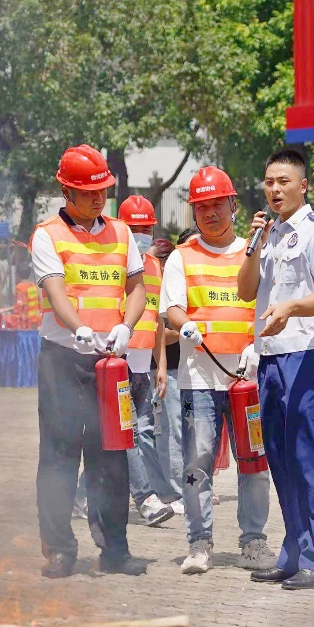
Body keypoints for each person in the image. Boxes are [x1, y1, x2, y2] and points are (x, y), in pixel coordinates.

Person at [31, 144, 147, 578]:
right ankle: (59, 549)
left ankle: (114, 549)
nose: (99, 198)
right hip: (64, 359)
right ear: (66, 191)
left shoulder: (121, 232)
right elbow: (56, 291)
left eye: (103, 190)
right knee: (60, 456)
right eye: (89, 191)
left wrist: (127, 326)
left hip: (109, 364)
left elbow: (136, 288)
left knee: (111, 458)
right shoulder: (47, 235)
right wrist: (77, 325)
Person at [236, 148, 314, 590]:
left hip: (306, 356)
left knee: (309, 460)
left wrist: (293, 308)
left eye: (284, 181)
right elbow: (246, 291)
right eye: (269, 182)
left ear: (304, 186)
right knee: (279, 458)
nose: (275, 189)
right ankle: (294, 552)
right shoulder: (269, 234)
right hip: (271, 359)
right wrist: (253, 244)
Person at [162, 168, 271, 575]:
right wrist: (182, 321)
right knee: (197, 462)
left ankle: (254, 541)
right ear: (193, 212)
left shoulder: (253, 253)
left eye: (216, 204)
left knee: (254, 461)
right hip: (199, 380)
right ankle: (199, 541)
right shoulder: (181, 256)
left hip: (246, 380)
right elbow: (172, 307)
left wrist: (256, 348)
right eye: (201, 206)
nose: (209, 213)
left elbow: (266, 307)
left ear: (232, 205)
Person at [117, 195, 177, 529]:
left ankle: (81, 495)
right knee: (130, 435)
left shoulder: (154, 267)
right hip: (119, 362)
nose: (141, 233)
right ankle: (146, 499)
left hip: (143, 366)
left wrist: (161, 367)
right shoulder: (112, 264)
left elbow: (155, 321)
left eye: (145, 227)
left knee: (131, 434)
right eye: (134, 227)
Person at [151, 236, 186, 514]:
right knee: (166, 432)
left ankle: (180, 488)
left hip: (179, 369)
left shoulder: (175, 287)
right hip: (161, 369)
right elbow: (160, 333)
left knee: (178, 430)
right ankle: (173, 492)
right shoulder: (152, 286)